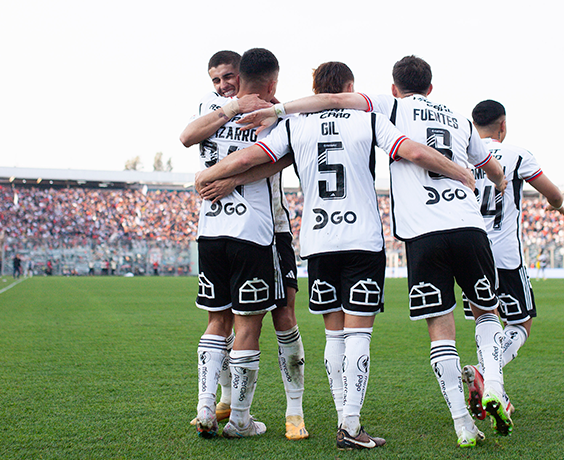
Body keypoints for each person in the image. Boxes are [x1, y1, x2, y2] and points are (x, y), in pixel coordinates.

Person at [196, 60, 477, 450]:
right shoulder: (369, 118)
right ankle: (350, 424)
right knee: (358, 333)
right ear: (348, 86)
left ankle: (340, 415)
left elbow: (249, 159)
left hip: (318, 241)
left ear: (314, 88)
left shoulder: (294, 125)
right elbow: (412, 150)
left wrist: (208, 176)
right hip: (361, 238)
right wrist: (459, 172)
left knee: (334, 335)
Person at [182, 50, 308, 440]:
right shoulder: (214, 107)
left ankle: (294, 410)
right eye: (216, 80)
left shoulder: (273, 111)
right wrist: (231, 106)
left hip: (273, 228)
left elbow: (285, 156)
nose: (223, 85)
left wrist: (229, 179)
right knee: (236, 321)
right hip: (247, 232)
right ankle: (227, 407)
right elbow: (187, 136)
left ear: (245, 74)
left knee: (282, 313)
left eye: (229, 77)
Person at [461, 99, 564, 421]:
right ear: (502, 125)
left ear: (473, 124)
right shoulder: (517, 154)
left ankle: (497, 390)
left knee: (485, 322)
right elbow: (553, 192)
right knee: (521, 322)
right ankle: (484, 373)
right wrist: (557, 205)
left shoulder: (461, 154)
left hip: (471, 254)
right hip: (506, 255)